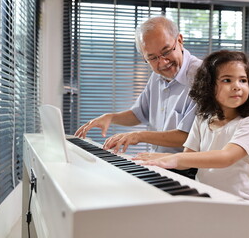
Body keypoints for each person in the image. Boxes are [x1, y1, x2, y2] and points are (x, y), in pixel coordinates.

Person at [133, 50, 249, 201]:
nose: (237, 86)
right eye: (227, 80)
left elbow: (226, 157)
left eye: (243, 80)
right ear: (209, 86)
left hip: (238, 203)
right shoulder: (202, 119)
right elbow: (187, 159)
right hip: (206, 197)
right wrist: (161, 159)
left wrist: (175, 158)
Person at [75, 16, 202, 158]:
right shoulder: (157, 75)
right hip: (158, 162)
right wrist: (110, 117)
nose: (163, 62)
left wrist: (139, 136)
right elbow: (138, 114)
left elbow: (189, 137)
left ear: (179, 40)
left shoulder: (201, 77)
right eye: (152, 58)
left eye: (166, 52)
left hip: (186, 169)